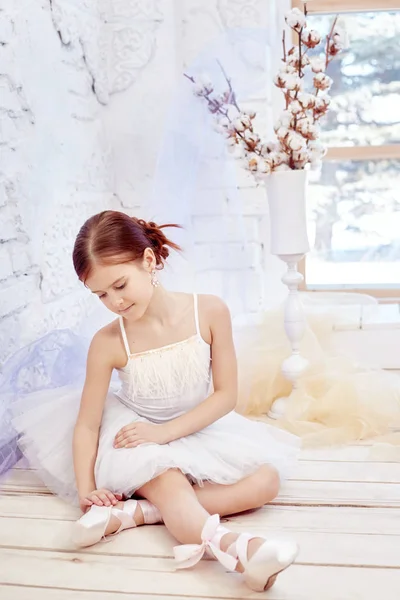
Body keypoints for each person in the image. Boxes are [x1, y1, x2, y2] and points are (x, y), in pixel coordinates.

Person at [13, 210, 300, 593]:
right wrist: (86, 491)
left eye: (119, 285)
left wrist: (165, 433)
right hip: (136, 431)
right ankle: (243, 551)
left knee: (267, 482)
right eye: (100, 294)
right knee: (170, 484)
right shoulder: (108, 343)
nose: (113, 301)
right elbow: (87, 424)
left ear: (148, 261)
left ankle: (140, 512)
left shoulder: (210, 311)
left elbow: (226, 395)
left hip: (191, 423)